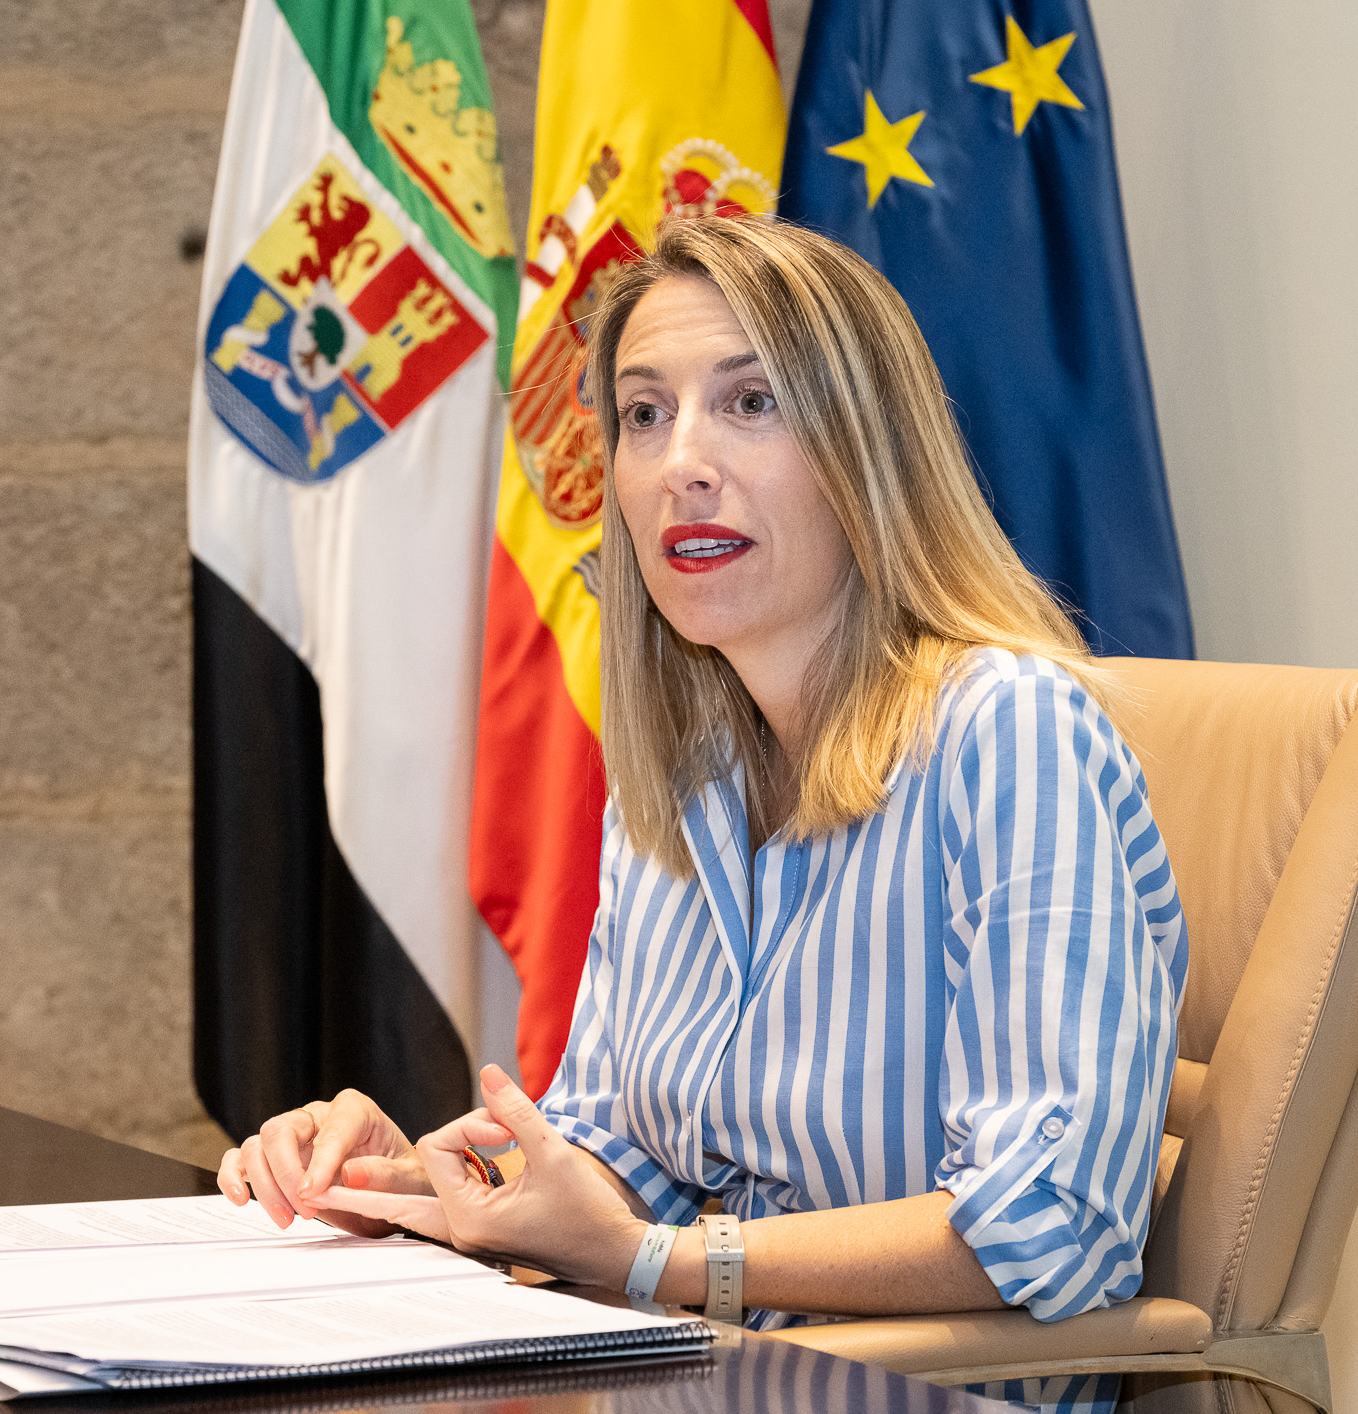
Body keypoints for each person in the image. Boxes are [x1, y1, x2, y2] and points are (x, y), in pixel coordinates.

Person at [217, 215, 1186, 1414]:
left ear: (868, 453)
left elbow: (1051, 1228)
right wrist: (404, 1177)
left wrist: (663, 1264)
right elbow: (610, 1151)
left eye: (751, 402)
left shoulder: (1009, 732)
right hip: (688, 1380)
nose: (682, 460)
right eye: (642, 413)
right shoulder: (679, 778)